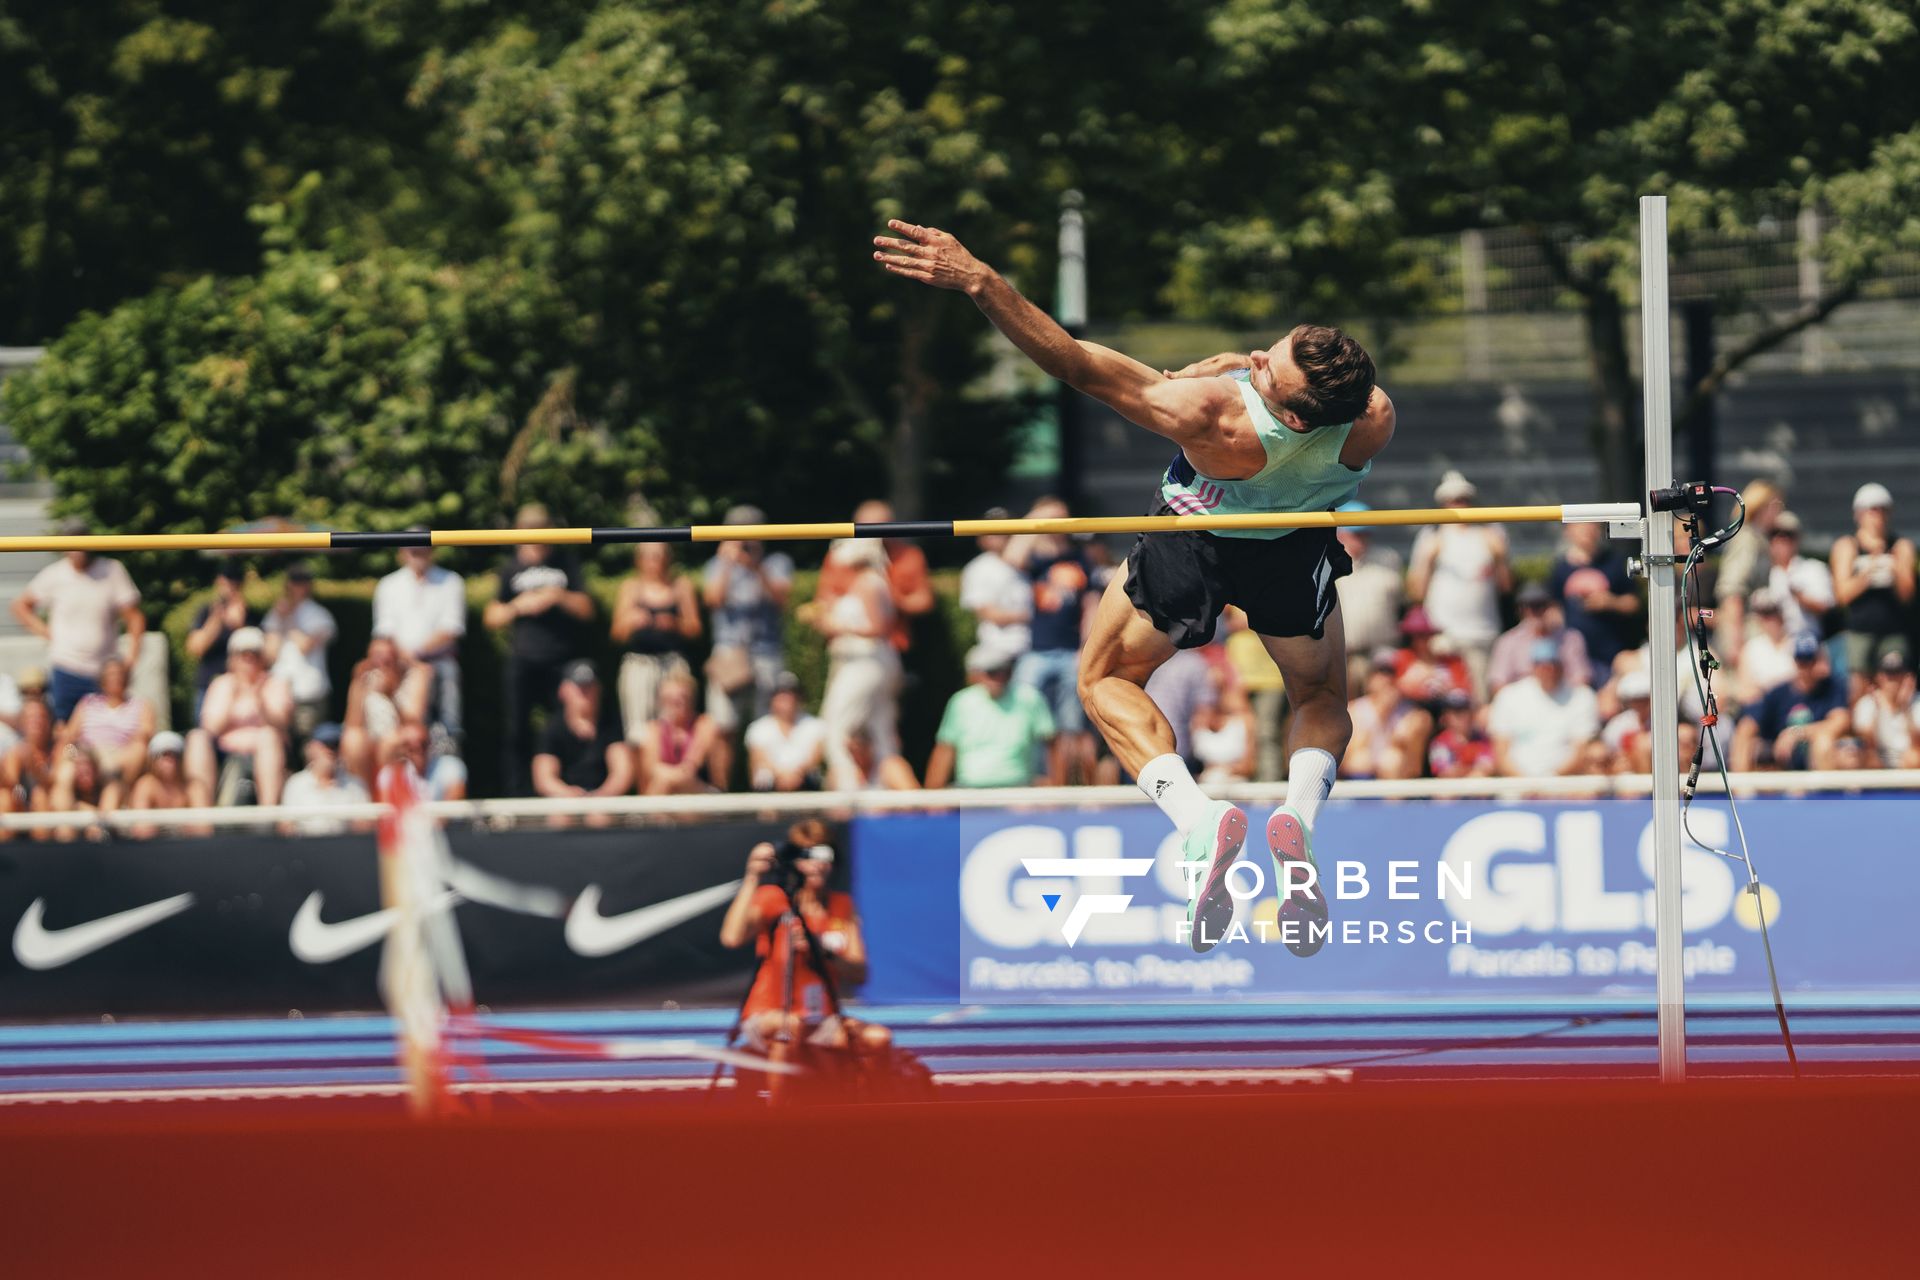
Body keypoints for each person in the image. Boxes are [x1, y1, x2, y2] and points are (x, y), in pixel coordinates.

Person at [876, 217, 1391, 954]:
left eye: (1263, 366)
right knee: (1320, 698)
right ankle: (1297, 823)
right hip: (1291, 545)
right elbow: (1299, 401)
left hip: (1192, 540)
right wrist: (1244, 373)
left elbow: (1076, 364)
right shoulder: (1368, 419)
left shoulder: (1206, 416)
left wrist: (981, 282)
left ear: (1284, 409)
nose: (1251, 357)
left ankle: (1199, 821)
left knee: (1105, 679)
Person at [717, 820, 889, 1085]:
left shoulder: (842, 905)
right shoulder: (775, 898)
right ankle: (780, 1121)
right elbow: (731, 937)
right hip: (768, 1012)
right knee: (790, 1027)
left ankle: (868, 1118)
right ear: (795, 860)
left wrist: (822, 953)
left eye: (826, 854)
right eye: (809, 855)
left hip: (822, 1016)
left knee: (878, 1039)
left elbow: (859, 973)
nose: (818, 863)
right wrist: (752, 876)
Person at [484, 505, 596, 796]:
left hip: (561, 660)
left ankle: (569, 787)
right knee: (516, 730)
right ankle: (517, 794)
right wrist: (518, 606)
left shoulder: (565, 564)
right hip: (523, 659)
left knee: (566, 726)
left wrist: (557, 596)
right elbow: (491, 616)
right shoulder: (510, 568)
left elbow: (587, 609)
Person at [1002, 496, 1098, 785]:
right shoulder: (1036, 558)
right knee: (1023, 717)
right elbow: (1012, 557)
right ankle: (1032, 777)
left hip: (1070, 650)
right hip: (1038, 650)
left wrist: (1086, 647)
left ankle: (1070, 785)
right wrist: (1036, 517)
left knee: (1072, 724)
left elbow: (1091, 606)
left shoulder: (1081, 558)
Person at [10, 521, 146, 724]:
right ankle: (67, 756)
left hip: (102, 670)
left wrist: (131, 659)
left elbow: (134, 618)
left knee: (102, 728)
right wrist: (48, 633)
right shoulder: (55, 574)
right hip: (66, 667)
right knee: (65, 730)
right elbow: (20, 606)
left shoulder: (111, 570)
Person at [702, 505, 794, 786]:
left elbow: (780, 601)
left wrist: (756, 567)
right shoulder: (717, 565)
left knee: (766, 729)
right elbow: (712, 600)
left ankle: (763, 792)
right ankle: (722, 793)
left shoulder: (776, 563)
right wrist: (729, 564)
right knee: (722, 726)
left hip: (766, 653)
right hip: (729, 654)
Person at [1408, 471, 1509, 698]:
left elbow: (1506, 587)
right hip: (1442, 635)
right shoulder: (1430, 535)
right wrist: (1427, 560)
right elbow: (1416, 592)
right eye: (1452, 501)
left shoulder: (1491, 533)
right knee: (1441, 699)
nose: (1459, 505)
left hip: (1480, 633)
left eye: (1464, 499)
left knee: (1478, 700)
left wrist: (1500, 557)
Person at [812, 538, 903, 774]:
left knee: (835, 726)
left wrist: (836, 625)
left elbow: (879, 628)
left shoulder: (868, 582)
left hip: (865, 664)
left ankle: (847, 791)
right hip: (871, 663)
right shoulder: (873, 581)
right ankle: (883, 791)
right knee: (879, 729)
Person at [185, 627, 293, 807]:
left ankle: (269, 814)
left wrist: (259, 700)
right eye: (243, 654)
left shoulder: (276, 683)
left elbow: (282, 723)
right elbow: (211, 728)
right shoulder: (221, 684)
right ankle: (201, 821)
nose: (249, 659)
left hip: (266, 748)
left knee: (268, 737)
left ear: (263, 657)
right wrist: (232, 697)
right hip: (224, 751)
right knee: (196, 739)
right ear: (232, 658)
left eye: (254, 654)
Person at [811, 500, 935, 656]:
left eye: (881, 525)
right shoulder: (838, 558)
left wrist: (887, 596)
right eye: (868, 527)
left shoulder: (909, 556)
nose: (875, 535)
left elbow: (924, 601)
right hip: (844, 646)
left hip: (891, 645)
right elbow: (824, 598)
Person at [372, 540, 467, 741]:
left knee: (447, 727)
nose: (418, 557)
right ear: (402, 553)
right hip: (400, 666)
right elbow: (384, 630)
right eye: (413, 551)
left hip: (440, 663)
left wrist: (416, 656)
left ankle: (447, 748)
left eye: (423, 551)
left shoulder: (451, 581)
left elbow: (452, 628)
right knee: (395, 723)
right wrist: (408, 661)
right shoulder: (388, 585)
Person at [925, 644, 1056, 789]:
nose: (999, 677)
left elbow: (1051, 744)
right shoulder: (960, 702)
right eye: (992, 671)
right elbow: (945, 750)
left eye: (1005, 671)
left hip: (1019, 792)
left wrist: (1056, 791)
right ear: (975, 674)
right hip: (969, 790)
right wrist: (933, 799)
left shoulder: (1029, 698)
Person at [1830, 482, 1916, 698]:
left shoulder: (1901, 546)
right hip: (1860, 630)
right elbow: (1842, 595)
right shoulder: (1847, 546)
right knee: (1857, 689)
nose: (1876, 516)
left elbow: (1908, 595)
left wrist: (1895, 569)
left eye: (1882, 510)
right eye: (1871, 510)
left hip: (1894, 630)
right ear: (1859, 514)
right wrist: (1869, 572)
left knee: (1896, 688)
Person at [612, 542, 701, 743]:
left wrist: (675, 624)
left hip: (673, 665)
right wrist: (631, 621)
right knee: (637, 732)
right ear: (639, 560)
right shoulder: (631, 588)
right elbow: (617, 634)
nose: (654, 561)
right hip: (639, 665)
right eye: (649, 556)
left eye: (659, 555)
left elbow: (695, 629)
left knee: (676, 727)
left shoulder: (681, 586)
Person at [1732, 633, 1850, 772]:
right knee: (1746, 737)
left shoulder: (1832, 687)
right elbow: (1748, 725)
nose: (1806, 667)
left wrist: (1797, 733)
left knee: (1823, 742)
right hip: (1783, 762)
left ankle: (1826, 792)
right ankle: (1741, 791)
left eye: (1810, 660)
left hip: (1816, 759)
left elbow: (1841, 721)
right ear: (1794, 661)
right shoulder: (1778, 693)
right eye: (1801, 660)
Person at [1487, 639, 1601, 777]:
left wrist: (1549, 782)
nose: (1548, 669)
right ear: (1533, 667)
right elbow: (1501, 752)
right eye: (1542, 664)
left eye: (1553, 663)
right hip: (1518, 790)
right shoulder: (1508, 696)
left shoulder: (1582, 697)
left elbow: (1581, 751)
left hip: (1565, 788)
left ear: (1561, 665)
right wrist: (1527, 784)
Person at [532, 661, 634, 807]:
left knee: (599, 816)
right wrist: (567, 794)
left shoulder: (611, 727)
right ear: (563, 690)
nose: (584, 693)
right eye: (579, 687)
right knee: (561, 816)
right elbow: (543, 779)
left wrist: (601, 796)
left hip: (604, 801)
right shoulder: (552, 729)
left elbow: (622, 772)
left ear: (599, 689)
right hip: (564, 801)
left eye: (588, 686)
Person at [340, 636, 432, 789]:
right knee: (353, 740)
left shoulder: (414, 676)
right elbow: (352, 724)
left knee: (389, 741)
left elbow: (413, 725)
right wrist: (358, 687)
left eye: (387, 657)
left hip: (398, 738)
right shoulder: (363, 675)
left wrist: (391, 697)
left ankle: (385, 794)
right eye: (376, 656)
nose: (381, 662)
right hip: (370, 742)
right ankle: (365, 797)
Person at [1547, 519, 1641, 670]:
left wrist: (1610, 602)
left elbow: (1634, 603)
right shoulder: (1560, 568)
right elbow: (1554, 608)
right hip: (1574, 658)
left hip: (1613, 653)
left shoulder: (1614, 563)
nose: (1587, 531)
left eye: (1591, 526)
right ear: (1568, 532)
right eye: (1581, 526)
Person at [1332, 502, 1405, 694]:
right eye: (1355, 533)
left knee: (1385, 707)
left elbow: (1400, 602)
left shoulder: (1388, 559)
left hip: (1382, 652)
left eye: (1364, 532)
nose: (1361, 539)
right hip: (1343, 654)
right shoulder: (1328, 561)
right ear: (1340, 533)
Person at [58, 656, 152, 807]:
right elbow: (69, 735)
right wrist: (72, 754)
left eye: (119, 673)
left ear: (126, 678)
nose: (115, 678)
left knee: (136, 752)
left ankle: (102, 823)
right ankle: (64, 822)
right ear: (102, 679)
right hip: (87, 753)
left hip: (119, 756)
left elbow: (145, 734)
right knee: (65, 767)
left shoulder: (140, 705)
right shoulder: (88, 702)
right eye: (111, 674)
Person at [1713, 478, 1788, 660]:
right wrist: (1735, 640)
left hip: (1757, 633)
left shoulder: (1760, 540)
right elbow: (1732, 592)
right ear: (1760, 506)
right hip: (1744, 634)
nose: (1780, 511)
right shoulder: (1746, 540)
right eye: (1776, 504)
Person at [261, 564, 337, 742]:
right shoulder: (276, 614)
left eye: (302, 581)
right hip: (280, 693)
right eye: (294, 581)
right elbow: (270, 654)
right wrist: (280, 621)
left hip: (308, 693)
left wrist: (288, 619)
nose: (298, 586)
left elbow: (305, 646)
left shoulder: (319, 614)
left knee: (310, 744)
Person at [1344, 650, 1432, 781]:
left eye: (1391, 674)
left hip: (1395, 775)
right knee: (1361, 760)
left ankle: (1395, 801)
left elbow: (1415, 765)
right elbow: (1349, 758)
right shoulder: (1355, 710)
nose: (1387, 679)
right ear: (1370, 679)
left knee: (1391, 761)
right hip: (1362, 775)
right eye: (1381, 673)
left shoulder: (1411, 713)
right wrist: (1382, 712)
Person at [184, 562, 256, 721]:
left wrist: (240, 626)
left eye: (236, 581)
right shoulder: (205, 611)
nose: (231, 586)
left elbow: (258, 655)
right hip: (208, 685)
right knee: (205, 736)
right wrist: (216, 620)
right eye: (227, 580)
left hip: (241, 688)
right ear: (219, 581)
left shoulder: (251, 614)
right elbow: (195, 649)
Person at [1489, 582, 1593, 692]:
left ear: (1551, 606)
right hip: (1522, 702)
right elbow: (1498, 684)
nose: (1533, 611)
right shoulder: (1507, 641)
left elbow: (1582, 679)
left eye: (1539, 605)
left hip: (1562, 701)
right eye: (1527, 605)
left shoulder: (1572, 638)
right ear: (1520, 610)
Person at [959, 509, 1033, 662]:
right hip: (997, 648)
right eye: (994, 531)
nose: (1002, 536)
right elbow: (988, 613)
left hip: (1035, 649)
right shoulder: (977, 568)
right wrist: (1032, 615)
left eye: (1006, 530)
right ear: (981, 538)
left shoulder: (1028, 563)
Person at [279, 722, 372, 836]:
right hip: (305, 850)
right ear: (312, 748)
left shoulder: (356, 785)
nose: (331, 750)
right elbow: (286, 827)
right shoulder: (295, 784)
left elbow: (364, 828)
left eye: (335, 744)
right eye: (326, 744)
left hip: (344, 848)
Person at [637, 671, 719, 795]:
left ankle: (649, 813)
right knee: (662, 782)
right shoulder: (654, 728)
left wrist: (665, 774)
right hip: (666, 792)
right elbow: (651, 768)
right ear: (661, 701)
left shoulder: (704, 724)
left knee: (663, 781)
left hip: (699, 793)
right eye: (670, 699)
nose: (677, 702)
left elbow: (689, 768)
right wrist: (666, 775)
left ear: (692, 699)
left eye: (683, 697)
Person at [745, 672, 828, 793]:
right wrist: (782, 776)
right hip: (770, 784)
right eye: (781, 695)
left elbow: (815, 757)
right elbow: (759, 758)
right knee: (763, 779)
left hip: (805, 781)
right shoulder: (758, 728)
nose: (786, 700)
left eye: (790, 694)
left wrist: (795, 775)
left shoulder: (815, 725)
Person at [1761, 512, 1834, 642]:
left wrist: (1800, 596)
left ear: (1797, 539)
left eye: (1787, 535)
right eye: (1774, 535)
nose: (1780, 541)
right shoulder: (1763, 574)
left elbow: (1825, 606)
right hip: (1772, 645)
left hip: (1809, 641)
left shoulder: (1813, 568)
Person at [125, 731, 206, 839]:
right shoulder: (146, 785)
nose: (169, 760)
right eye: (163, 755)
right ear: (153, 760)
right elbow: (141, 829)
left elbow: (204, 829)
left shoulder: (193, 786)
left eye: (174, 754)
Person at [1392, 607, 1473, 708]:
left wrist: (1446, 688)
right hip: (1413, 709)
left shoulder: (1452, 662)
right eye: (1416, 636)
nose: (1420, 641)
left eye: (1425, 635)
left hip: (1446, 710)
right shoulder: (1402, 659)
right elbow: (1393, 688)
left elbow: (1465, 691)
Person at [1851, 652, 1920, 770]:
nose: (1892, 680)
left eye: (1897, 674)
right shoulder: (1867, 703)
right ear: (1879, 677)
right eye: (1888, 674)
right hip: (1879, 758)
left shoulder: (1917, 701)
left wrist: (1905, 708)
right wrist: (1876, 711)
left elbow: (1917, 743)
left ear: (1906, 677)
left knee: (1914, 758)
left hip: (1907, 758)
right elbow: (1867, 743)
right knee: (1869, 758)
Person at [1191, 665, 1255, 785]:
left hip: (1236, 787)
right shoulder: (1197, 722)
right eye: (1209, 689)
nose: (1214, 695)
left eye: (1219, 688)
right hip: (1206, 786)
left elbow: (1249, 766)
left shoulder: (1244, 721)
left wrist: (1224, 771)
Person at [1734, 590, 1798, 705]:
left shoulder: (1798, 642)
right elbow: (1743, 693)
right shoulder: (1751, 648)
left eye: (1772, 614)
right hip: (1765, 708)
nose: (1769, 620)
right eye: (1763, 615)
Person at [827, 726, 922, 792]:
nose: (856, 756)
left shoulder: (890, 767)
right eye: (851, 751)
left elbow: (915, 802)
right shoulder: (840, 774)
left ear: (870, 747)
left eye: (859, 750)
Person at [1428, 687, 1495, 779]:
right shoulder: (1439, 743)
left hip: (1478, 789)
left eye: (1465, 710)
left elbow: (1488, 768)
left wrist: (1463, 769)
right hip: (1454, 790)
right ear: (1446, 716)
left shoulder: (1482, 739)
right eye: (1455, 712)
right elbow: (1445, 774)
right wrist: (1472, 768)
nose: (1462, 716)